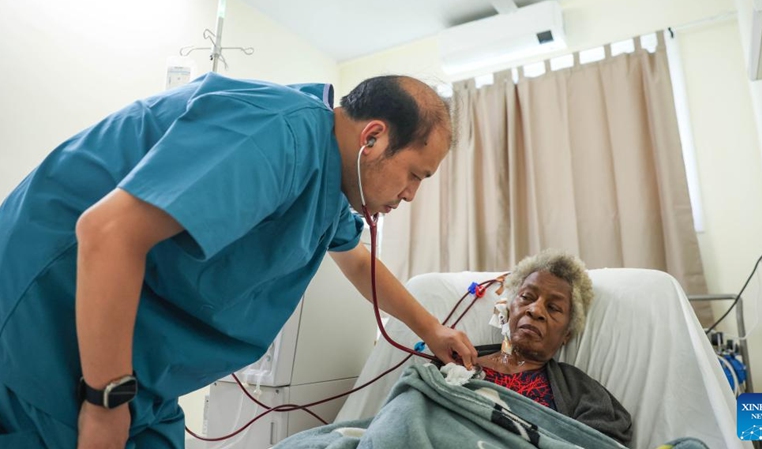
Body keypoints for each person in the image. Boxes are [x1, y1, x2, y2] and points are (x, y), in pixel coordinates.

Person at [0, 73, 477, 448]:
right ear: (372, 138)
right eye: (415, 174)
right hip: (47, 331)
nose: (411, 194)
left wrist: (431, 329)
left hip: (140, 370)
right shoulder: (278, 133)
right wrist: (106, 404)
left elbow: (357, 261)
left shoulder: (329, 183)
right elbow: (106, 234)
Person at [476, 249, 633, 446]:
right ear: (509, 310)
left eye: (553, 308)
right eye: (527, 297)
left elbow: (603, 441)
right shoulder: (458, 361)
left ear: (566, 334)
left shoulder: (581, 392)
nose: (535, 310)